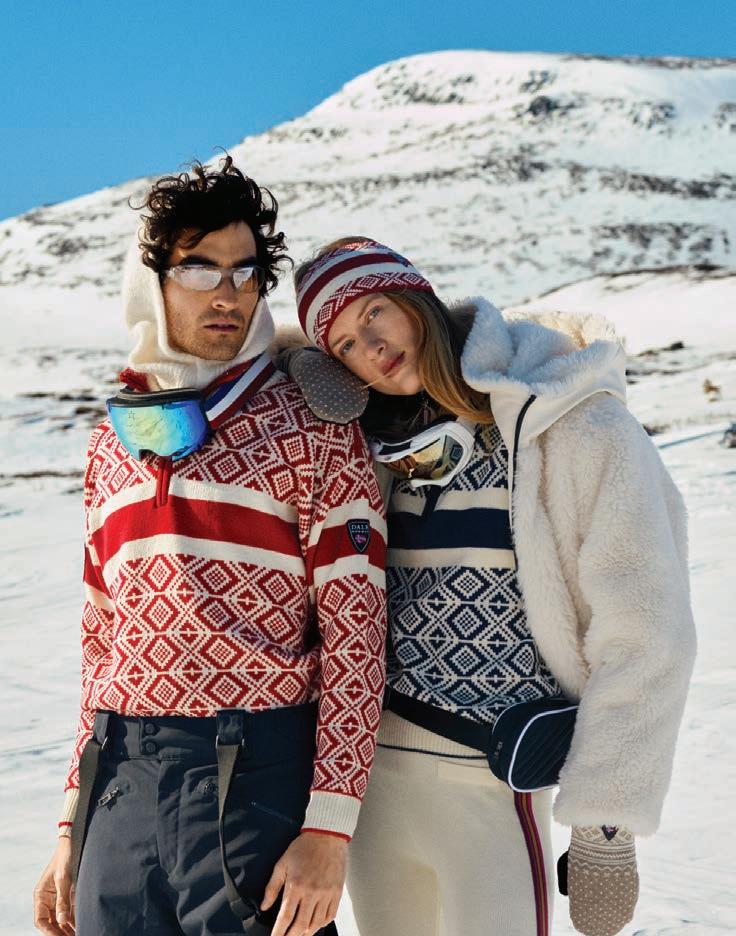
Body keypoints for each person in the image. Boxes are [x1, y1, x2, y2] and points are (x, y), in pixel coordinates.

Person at [288, 237, 696, 936]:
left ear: (416, 298)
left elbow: (646, 627)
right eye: (345, 345)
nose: (373, 348)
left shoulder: (570, 420)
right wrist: (293, 364)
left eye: (376, 312)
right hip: (374, 789)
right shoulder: (368, 446)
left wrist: (606, 819)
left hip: (494, 780)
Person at [32, 167, 387, 936]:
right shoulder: (109, 447)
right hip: (120, 780)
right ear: (151, 281)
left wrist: (329, 828)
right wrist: (72, 823)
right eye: (199, 269)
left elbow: (356, 638)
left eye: (245, 273)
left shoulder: (314, 430)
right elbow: (102, 643)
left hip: (252, 777)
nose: (227, 294)